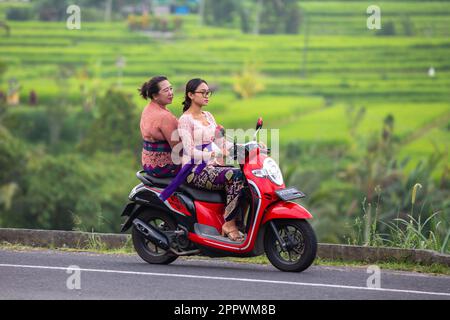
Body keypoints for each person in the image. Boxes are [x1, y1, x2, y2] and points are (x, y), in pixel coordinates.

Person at [177, 78, 245, 242]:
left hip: (212, 166)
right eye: (203, 92)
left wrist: (247, 147)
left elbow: (222, 143)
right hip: (194, 171)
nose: (207, 95)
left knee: (247, 175)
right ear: (191, 95)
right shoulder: (185, 120)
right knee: (235, 175)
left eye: (209, 92)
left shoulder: (208, 116)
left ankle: (241, 223)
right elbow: (189, 150)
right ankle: (229, 224)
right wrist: (212, 155)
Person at [139, 76, 181, 178]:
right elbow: (178, 149)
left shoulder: (147, 109)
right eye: (166, 90)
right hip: (165, 167)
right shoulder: (164, 116)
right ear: (155, 96)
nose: (171, 93)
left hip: (148, 165)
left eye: (171, 88)